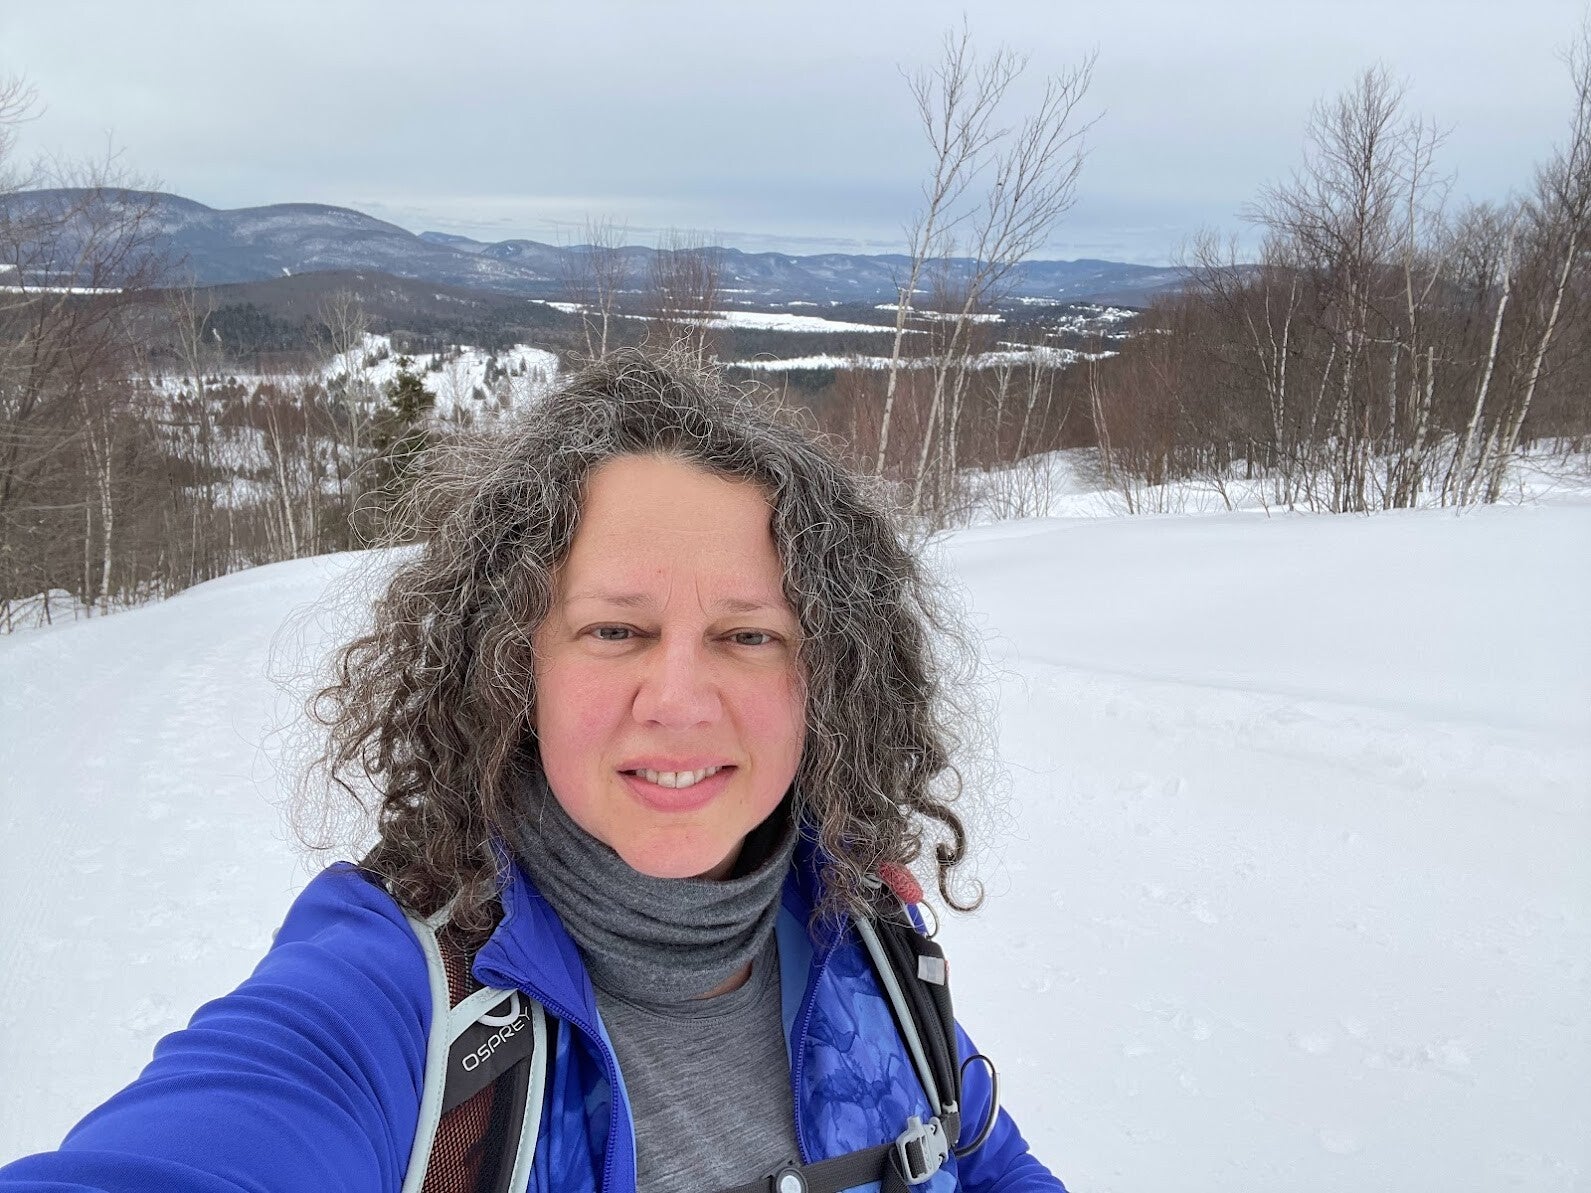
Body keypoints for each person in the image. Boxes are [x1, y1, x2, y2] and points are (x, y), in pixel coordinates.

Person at [0, 349, 1067, 1192]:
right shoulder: (404, 1000)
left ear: (828, 677)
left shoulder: (863, 936)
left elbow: (981, 1157)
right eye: (614, 630)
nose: (680, 699)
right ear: (515, 668)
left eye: (749, 636)